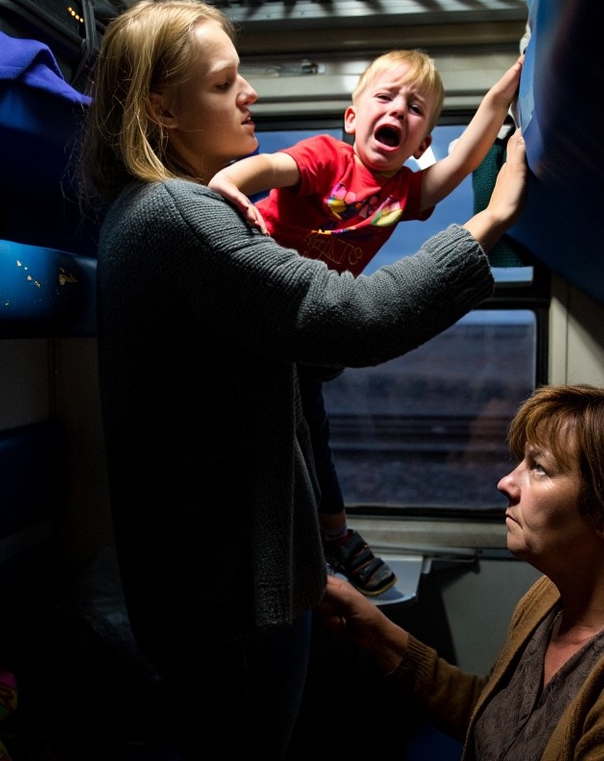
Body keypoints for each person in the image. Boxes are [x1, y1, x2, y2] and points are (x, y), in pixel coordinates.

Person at [79, 0, 529, 760]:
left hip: (222, 587)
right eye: (224, 83)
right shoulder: (180, 214)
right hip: (230, 606)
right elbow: (354, 318)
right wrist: (490, 221)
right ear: (161, 109)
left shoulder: (157, 213)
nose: (249, 93)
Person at [209, 49, 524, 597]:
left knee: (313, 436)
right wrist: (230, 180)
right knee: (266, 432)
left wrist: (506, 91)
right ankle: (305, 535)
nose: (398, 110)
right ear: (352, 118)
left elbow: (465, 160)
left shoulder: (405, 192)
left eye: (415, 108)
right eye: (385, 97)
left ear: (421, 145)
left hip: (309, 329)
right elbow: (273, 167)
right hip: (264, 304)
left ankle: (332, 533)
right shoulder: (327, 158)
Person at [319, 384, 604, 760]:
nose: (505, 483)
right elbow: (498, 725)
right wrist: (377, 633)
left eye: (539, 468)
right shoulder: (554, 595)